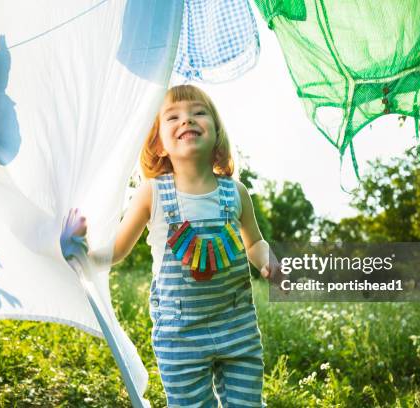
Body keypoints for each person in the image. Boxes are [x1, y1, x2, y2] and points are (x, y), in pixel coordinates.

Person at [63, 85, 281, 407]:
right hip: (180, 335)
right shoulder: (153, 193)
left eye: (198, 112)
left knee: (248, 404)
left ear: (217, 132)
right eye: (173, 116)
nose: (187, 120)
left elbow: (254, 243)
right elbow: (118, 250)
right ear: (158, 143)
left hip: (237, 328)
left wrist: (269, 263)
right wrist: (83, 250)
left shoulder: (236, 192)